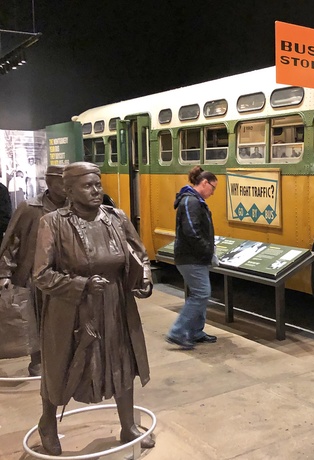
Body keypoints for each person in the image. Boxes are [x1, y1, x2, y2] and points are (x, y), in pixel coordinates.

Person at [33, 162, 154, 455]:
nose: (96, 190)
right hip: (71, 308)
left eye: (98, 184)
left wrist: (144, 279)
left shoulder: (116, 217)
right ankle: (47, 424)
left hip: (115, 303)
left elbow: (140, 254)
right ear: (69, 190)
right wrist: (80, 285)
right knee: (62, 366)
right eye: (88, 186)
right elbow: (40, 275)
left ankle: (128, 425)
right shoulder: (53, 223)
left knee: (122, 361)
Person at [0, 165, 67, 376]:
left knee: (66, 320)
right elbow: (11, 242)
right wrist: (4, 273)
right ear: (49, 182)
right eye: (61, 182)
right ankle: (37, 361)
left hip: (68, 273)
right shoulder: (30, 208)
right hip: (36, 273)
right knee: (37, 319)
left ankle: (66, 360)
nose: (66, 187)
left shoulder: (76, 207)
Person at [166, 165, 218, 350]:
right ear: (204, 183)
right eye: (213, 187)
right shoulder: (190, 201)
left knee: (200, 294)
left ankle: (196, 331)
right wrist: (207, 251)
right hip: (190, 258)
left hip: (196, 257)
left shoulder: (194, 201)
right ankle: (178, 332)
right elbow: (192, 231)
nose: (213, 192)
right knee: (201, 294)